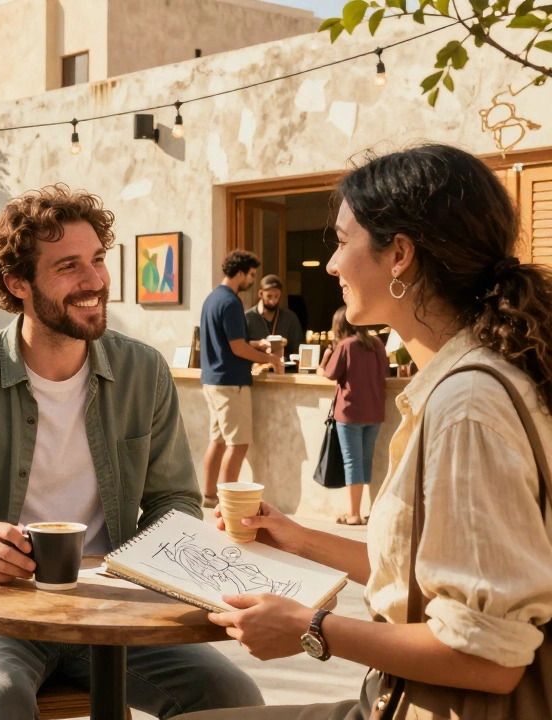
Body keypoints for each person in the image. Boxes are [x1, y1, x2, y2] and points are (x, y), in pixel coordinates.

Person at [175, 145, 552, 719]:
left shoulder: (468, 406)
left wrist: (312, 629)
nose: (330, 264)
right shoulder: (469, 381)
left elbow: (489, 660)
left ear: (399, 253)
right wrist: (296, 537)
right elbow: (425, 577)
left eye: (343, 240)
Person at [0, 185, 263, 719]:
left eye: (97, 260)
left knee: (232, 699)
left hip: (117, 611)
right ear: (17, 283)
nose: (94, 282)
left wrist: (148, 565)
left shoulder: (144, 371)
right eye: (68, 266)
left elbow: (176, 501)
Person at [199, 250, 284, 508]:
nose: (252, 280)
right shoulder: (232, 302)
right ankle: (229, 503)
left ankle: (210, 496)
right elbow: (237, 349)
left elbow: (230, 343)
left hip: (212, 381)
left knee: (218, 441)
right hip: (231, 383)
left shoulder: (212, 298)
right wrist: (269, 358)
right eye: (251, 274)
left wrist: (254, 344)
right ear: (239, 272)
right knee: (238, 444)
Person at [317, 306, 385, 526]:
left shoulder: (346, 345)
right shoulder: (377, 344)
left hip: (349, 412)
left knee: (352, 462)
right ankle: (366, 510)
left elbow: (329, 374)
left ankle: (354, 514)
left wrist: (324, 359)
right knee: (365, 461)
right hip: (374, 411)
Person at [245, 274, 305, 359]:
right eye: (269, 296)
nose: (272, 301)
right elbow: (241, 346)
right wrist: (257, 344)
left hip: (283, 368)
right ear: (260, 293)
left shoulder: (290, 318)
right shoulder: (248, 317)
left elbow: (298, 348)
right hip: (255, 368)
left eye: (276, 296)